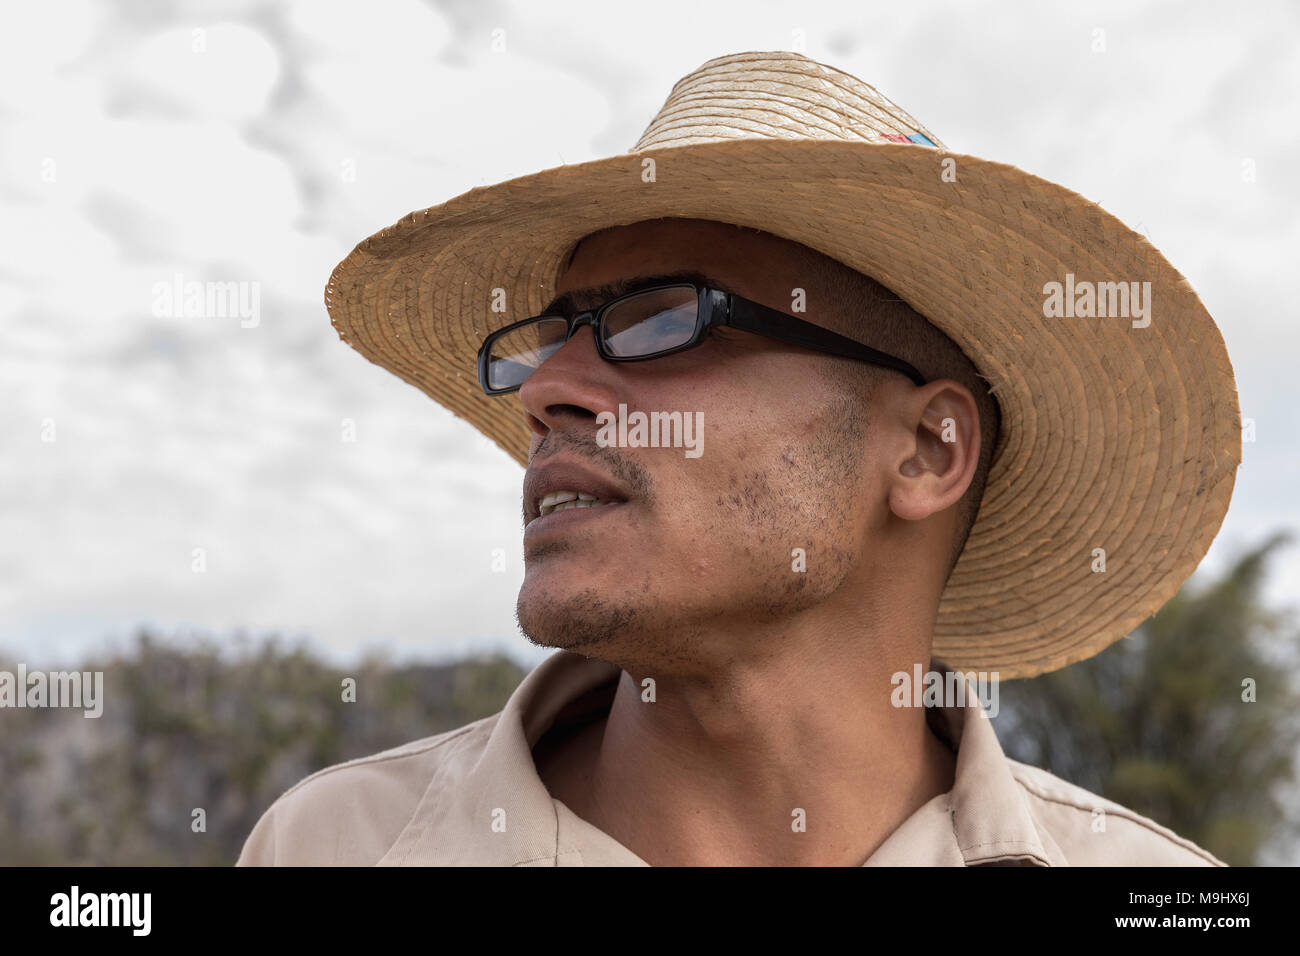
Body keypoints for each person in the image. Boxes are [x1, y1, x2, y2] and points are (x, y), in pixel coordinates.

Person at [238, 51, 1240, 866]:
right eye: (552, 339)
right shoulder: (331, 845)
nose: (547, 390)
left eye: (668, 319)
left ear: (929, 450)